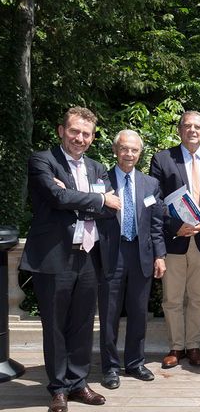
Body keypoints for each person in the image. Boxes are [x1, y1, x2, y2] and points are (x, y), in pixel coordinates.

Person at [21, 107, 121, 412]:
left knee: (82, 324)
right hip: (54, 257)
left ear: (92, 137)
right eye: (75, 131)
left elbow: (110, 210)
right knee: (55, 326)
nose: (80, 138)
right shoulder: (42, 160)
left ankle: (78, 383)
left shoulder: (97, 167)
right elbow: (57, 198)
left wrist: (75, 198)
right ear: (61, 130)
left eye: (86, 134)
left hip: (89, 256)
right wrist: (97, 199)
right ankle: (58, 388)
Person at [149, 111, 200, 368]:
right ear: (179, 130)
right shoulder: (162, 159)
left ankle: (193, 345)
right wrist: (175, 225)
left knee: (198, 298)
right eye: (187, 126)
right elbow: (155, 200)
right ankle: (176, 347)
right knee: (172, 299)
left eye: (197, 127)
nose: (192, 130)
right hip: (175, 239)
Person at [97, 130, 167, 390]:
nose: (129, 154)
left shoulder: (150, 184)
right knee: (109, 314)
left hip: (141, 254)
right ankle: (110, 367)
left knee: (138, 311)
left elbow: (156, 223)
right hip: (111, 254)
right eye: (124, 149)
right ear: (116, 150)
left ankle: (135, 362)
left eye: (134, 150)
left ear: (140, 153)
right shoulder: (101, 181)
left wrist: (160, 255)